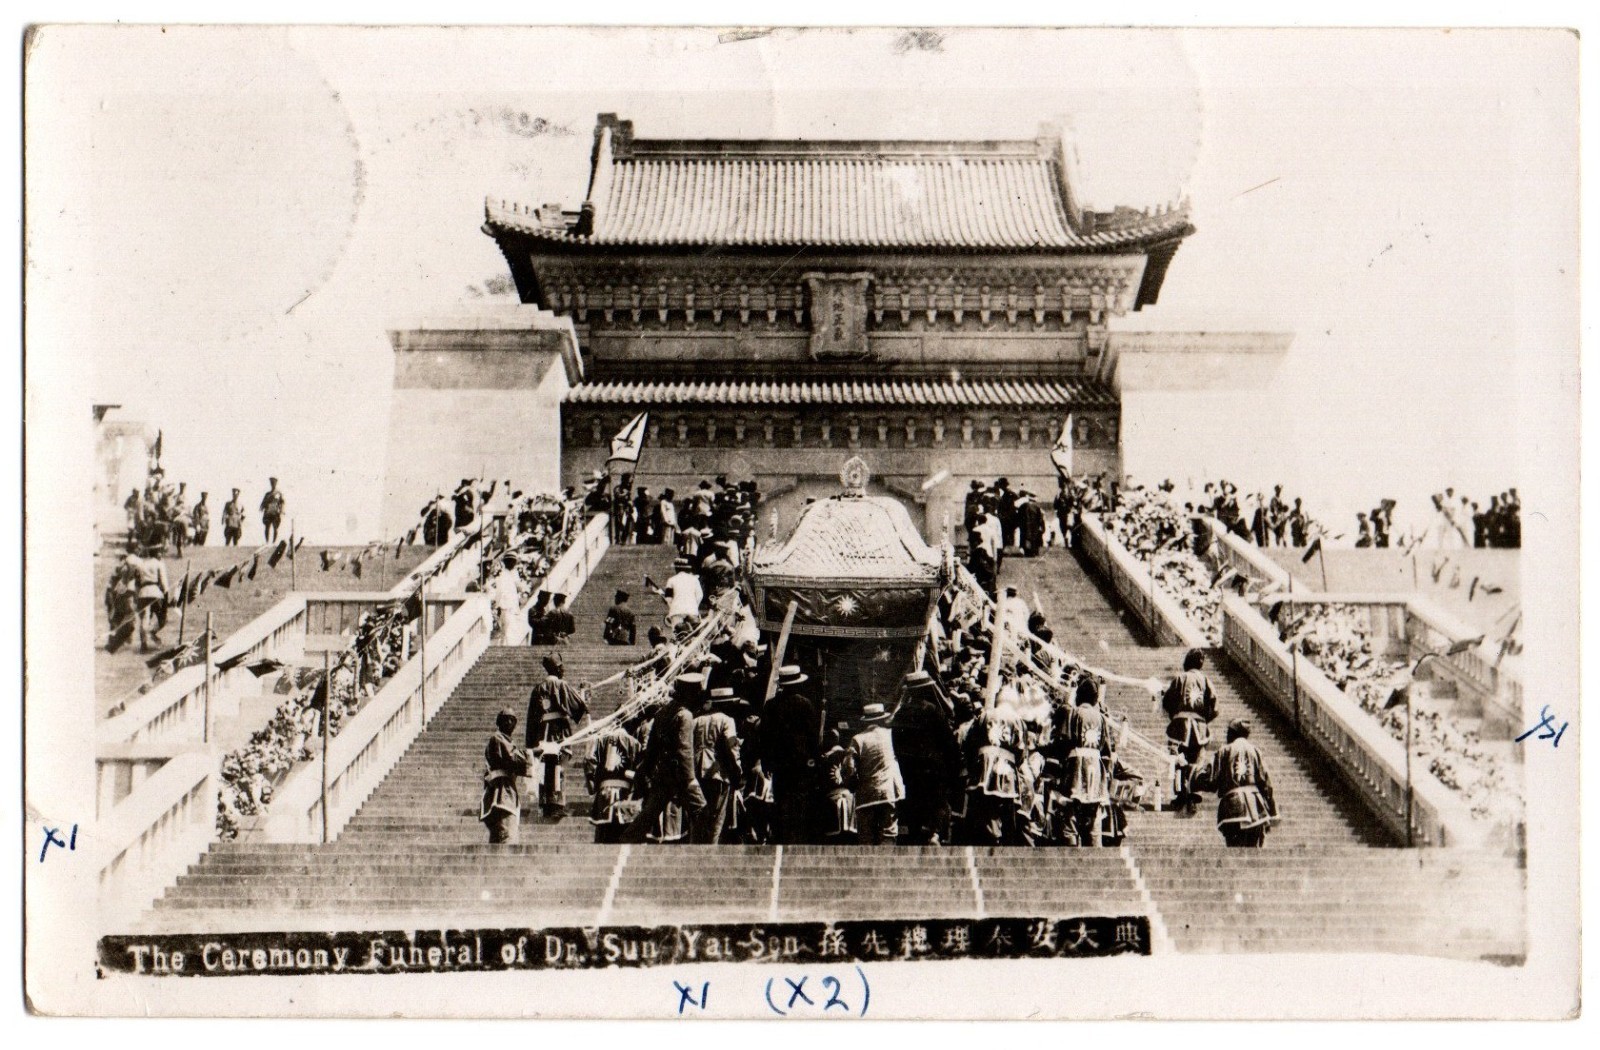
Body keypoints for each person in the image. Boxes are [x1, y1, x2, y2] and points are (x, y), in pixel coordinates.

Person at [624, 674, 708, 843]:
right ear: (690, 693)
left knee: (649, 814)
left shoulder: (663, 712)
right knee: (702, 812)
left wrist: (647, 770)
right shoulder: (685, 715)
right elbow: (684, 750)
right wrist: (690, 779)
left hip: (663, 773)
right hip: (681, 776)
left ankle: (627, 838)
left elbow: (652, 748)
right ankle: (705, 848)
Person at [892, 670, 960, 844]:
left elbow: (896, 743)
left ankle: (915, 834)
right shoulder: (932, 710)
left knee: (914, 800)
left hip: (909, 768)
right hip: (933, 767)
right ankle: (934, 833)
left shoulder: (900, 713)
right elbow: (947, 740)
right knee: (937, 801)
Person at [760, 665, 820, 844]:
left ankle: (782, 839)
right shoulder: (805, 704)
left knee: (781, 801)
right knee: (799, 803)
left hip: (779, 764)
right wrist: (814, 759)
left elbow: (765, 737)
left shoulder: (770, 706)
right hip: (800, 764)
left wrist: (766, 762)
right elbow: (812, 736)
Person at [1195, 719, 1277, 847]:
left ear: (1233, 733)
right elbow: (1266, 783)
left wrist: (1194, 775)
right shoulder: (1255, 751)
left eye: (1228, 732)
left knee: (1234, 850)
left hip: (1232, 807)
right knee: (1254, 851)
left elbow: (1211, 780)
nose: (1227, 735)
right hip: (1256, 807)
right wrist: (1273, 811)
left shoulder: (1224, 750)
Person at [525, 654, 589, 817]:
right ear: (558, 668)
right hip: (559, 731)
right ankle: (557, 804)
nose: (563, 669)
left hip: (542, 732)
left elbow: (531, 719)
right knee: (558, 767)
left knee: (544, 767)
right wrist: (583, 693)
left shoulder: (538, 689)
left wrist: (530, 744)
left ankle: (545, 803)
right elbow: (579, 707)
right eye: (561, 666)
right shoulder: (561, 685)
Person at [1055, 678, 1115, 846]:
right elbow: (1106, 750)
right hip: (1095, 766)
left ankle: (1071, 849)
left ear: (1079, 696)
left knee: (1070, 811)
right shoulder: (1101, 718)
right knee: (1093, 813)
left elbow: (1063, 740)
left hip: (1075, 764)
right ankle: (1094, 849)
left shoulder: (1073, 713)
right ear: (1096, 699)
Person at [1161, 649, 1218, 813]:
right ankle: (1193, 796)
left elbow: (1167, 702)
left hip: (1180, 726)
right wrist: (1203, 720)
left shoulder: (1180, 678)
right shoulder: (1206, 680)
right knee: (1197, 761)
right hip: (1199, 727)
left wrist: (1175, 716)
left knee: (1178, 759)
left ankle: (1180, 795)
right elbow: (1214, 707)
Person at [845, 703, 906, 845]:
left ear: (865, 721)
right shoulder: (890, 735)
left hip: (866, 795)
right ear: (881, 718)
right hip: (889, 792)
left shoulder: (858, 739)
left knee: (866, 837)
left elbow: (850, 767)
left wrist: (852, 785)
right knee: (888, 833)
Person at [690, 687, 743, 843]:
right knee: (716, 820)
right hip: (717, 773)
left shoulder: (696, 720)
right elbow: (732, 747)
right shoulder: (727, 720)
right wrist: (737, 772)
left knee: (697, 818)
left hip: (696, 772)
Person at [585, 720, 643, 844]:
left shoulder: (600, 740)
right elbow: (641, 769)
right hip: (625, 796)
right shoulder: (634, 743)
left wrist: (593, 785)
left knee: (604, 836)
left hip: (604, 795)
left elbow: (589, 760)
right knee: (623, 835)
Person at [482, 709, 530, 844]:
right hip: (501, 790)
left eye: (512, 720)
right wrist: (531, 754)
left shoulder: (507, 740)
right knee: (506, 833)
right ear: (499, 722)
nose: (509, 722)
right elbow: (512, 757)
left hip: (506, 788)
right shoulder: (498, 738)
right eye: (506, 719)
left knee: (504, 834)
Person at [259, 478, 286, 543]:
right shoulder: (267, 494)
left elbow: (282, 502)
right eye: (271, 483)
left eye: (274, 483)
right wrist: (262, 507)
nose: (272, 484)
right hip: (268, 512)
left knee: (275, 527)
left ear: (276, 483)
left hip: (275, 512)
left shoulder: (279, 493)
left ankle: (274, 542)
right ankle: (267, 542)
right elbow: (263, 502)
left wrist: (282, 510)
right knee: (267, 527)